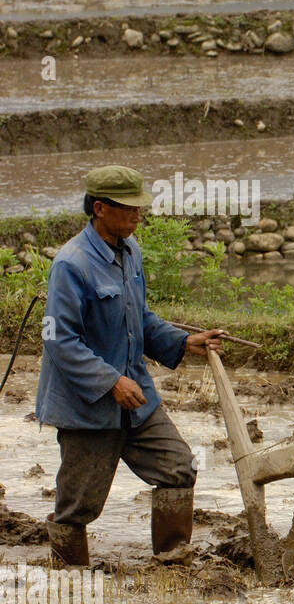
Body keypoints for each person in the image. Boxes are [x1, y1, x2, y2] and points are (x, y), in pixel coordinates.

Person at [34, 165, 227, 565]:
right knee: (77, 508)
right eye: (130, 209)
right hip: (87, 407)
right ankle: (71, 585)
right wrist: (110, 382)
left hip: (136, 398)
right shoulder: (71, 265)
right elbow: (58, 340)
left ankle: (172, 565)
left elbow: (137, 317)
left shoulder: (129, 252)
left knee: (178, 467)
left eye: (140, 208)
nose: (139, 216)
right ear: (101, 208)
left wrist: (180, 341)